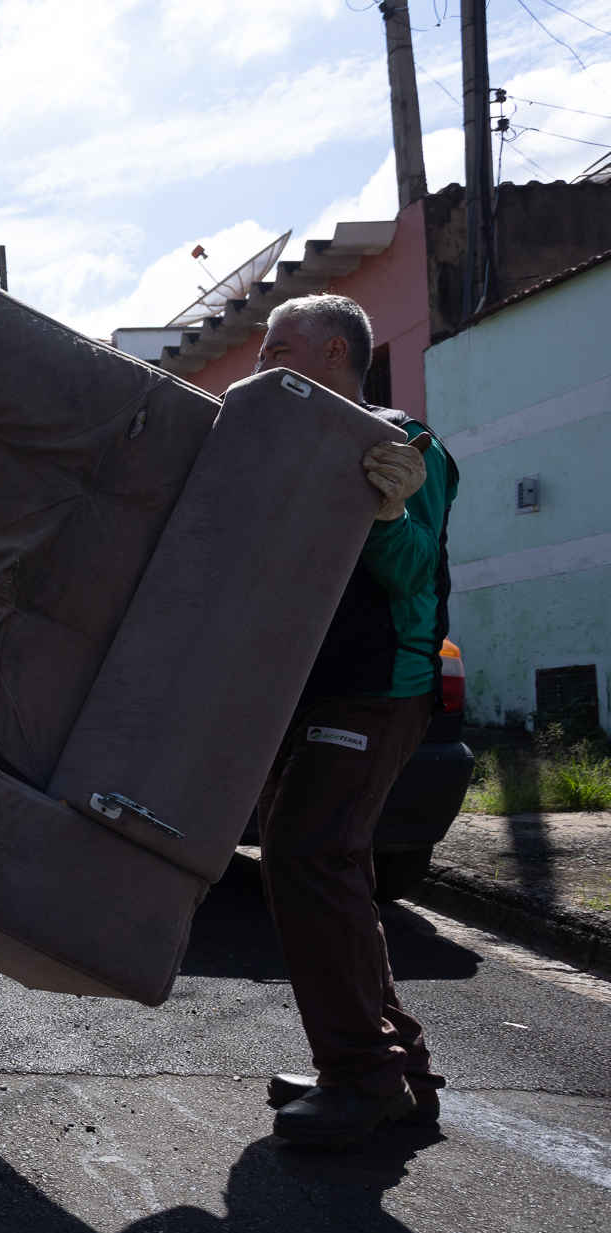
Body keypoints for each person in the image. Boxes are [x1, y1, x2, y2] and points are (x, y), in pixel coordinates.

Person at [250, 293, 460, 1147]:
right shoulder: (292, 448)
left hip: (381, 684)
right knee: (329, 864)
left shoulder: (402, 441)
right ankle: (397, 1069)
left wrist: (385, 511)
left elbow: (415, 568)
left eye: (278, 346)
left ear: (335, 351)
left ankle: (362, 1077)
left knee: (307, 850)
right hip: (311, 687)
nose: (259, 363)